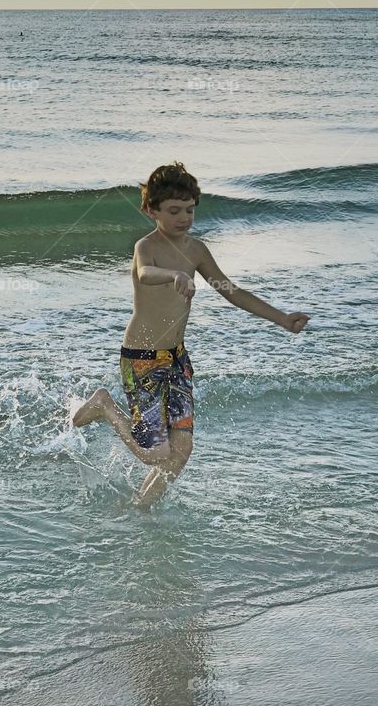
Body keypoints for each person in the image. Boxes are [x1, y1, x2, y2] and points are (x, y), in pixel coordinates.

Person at [71, 162, 310, 510]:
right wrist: (175, 275)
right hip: (141, 358)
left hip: (177, 360)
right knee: (154, 454)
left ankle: (142, 507)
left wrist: (282, 319)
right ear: (151, 210)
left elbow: (231, 291)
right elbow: (145, 272)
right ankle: (104, 404)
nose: (183, 218)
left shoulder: (196, 250)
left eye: (189, 210)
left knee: (181, 451)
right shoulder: (146, 246)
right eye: (174, 211)